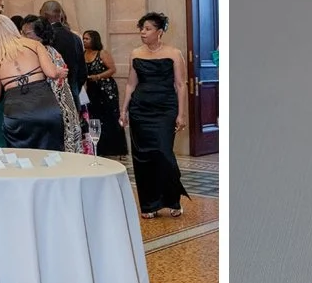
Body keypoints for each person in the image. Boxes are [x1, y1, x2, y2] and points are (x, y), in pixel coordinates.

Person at [120, 11, 188, 219]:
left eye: (148, 29)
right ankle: (149, 204)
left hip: (165, 109)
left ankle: (172, 199)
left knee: (163, 153)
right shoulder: (135, 53)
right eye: (141, 28)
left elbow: (180, 85)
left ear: (159, 32)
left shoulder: (174, 53)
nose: (143, 32)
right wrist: (124, 110)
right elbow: (131, 84)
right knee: (142, 157)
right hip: (140, 109)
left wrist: (181, 114)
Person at [0, 14, 66, 150]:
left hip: (17, 111)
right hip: (45, 106)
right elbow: (52, 73)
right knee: (53, 155)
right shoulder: (34, 44)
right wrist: (59, 71)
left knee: (21, 158)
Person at [22, 17, 83, 152]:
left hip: (50, 111)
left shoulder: (41, 53)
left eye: (27, 34)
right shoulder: (50, 50)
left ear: (40, 35)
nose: (22, 37)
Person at [83, 29, 127, 157]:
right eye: (84, 39)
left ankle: (115, 148)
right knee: (94, 117)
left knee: (110, 116)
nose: (85, 41)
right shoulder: (83, 54)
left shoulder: (102, 53)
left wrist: (98, 76)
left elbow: (112, 69)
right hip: (92, 89)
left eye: (87, 39)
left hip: (106, 89)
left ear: (94, 40)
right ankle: (98, 147)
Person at [39, 0, 87, 104]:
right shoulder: (76, 38)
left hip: (49, 98)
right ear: (60, 15)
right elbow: (83, 72)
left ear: (44, 15)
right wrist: (74, 89)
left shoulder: (44, 38)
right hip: (73, 95)